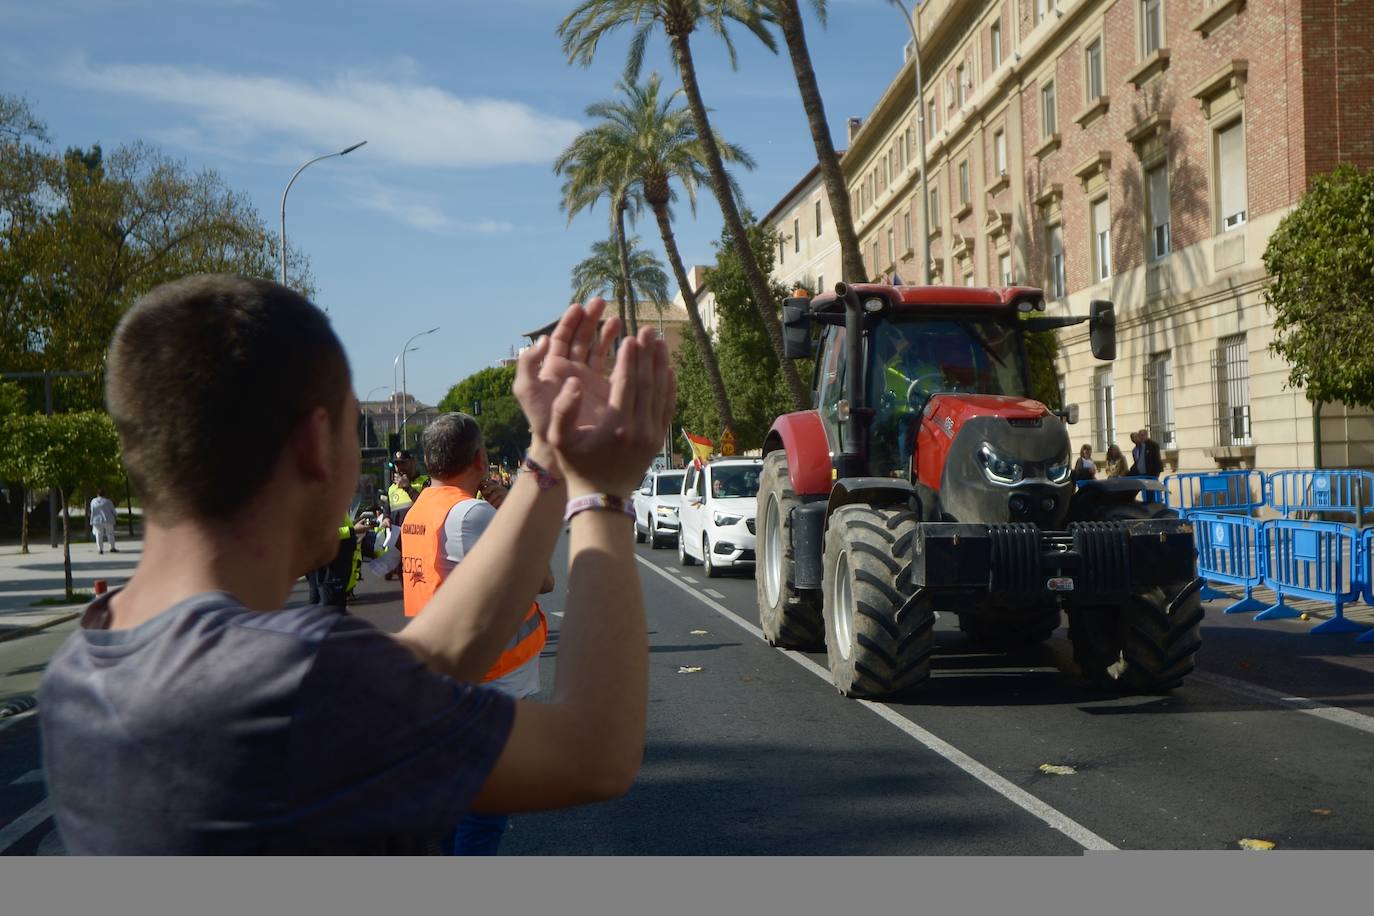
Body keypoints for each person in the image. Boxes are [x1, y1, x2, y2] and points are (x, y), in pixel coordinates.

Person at [38, 275, 675, 853]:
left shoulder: (81, 664)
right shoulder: (296, 685)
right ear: (316, 443)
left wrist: (549, 457)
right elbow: (594, 752)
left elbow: (431, 653)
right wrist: (603, 494)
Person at [401, 412, 554, 855]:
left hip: (440, 676)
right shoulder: (472, 513)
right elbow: (542, 578)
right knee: (482, 819)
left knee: (454, 813)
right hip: (490, 684)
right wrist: (510, 507)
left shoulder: (420, 510)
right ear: (480, 458)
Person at [88, 490, 118, 554]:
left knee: (98, 535)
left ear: (97, 494)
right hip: (107, 520)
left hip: (96, 520)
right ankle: (112, 548)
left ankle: (100, 549)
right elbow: (113, 510)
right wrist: (116, 516)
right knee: (110, 534)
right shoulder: (108, 501)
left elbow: (91, 510)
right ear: (104, 494)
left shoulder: (93, 501)